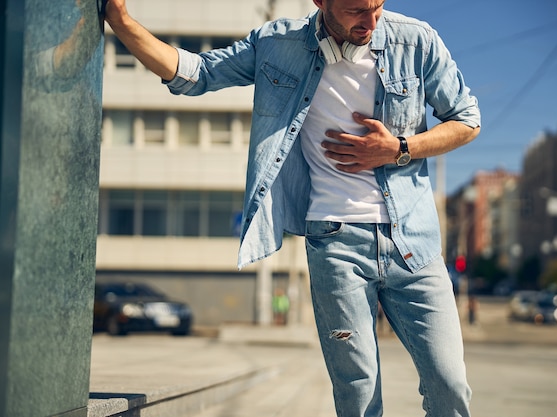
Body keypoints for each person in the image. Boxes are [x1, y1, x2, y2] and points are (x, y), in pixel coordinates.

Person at [105, 1, 481, 416]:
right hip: (335, 244)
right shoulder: (277, 43)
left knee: (450, 387)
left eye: (377, 7)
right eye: (357, 10)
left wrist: (398, 149)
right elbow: (196, 73)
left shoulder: (417, 40)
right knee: (359, 395)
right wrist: (120, 22)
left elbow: (467, 120)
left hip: (414, 244)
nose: (371, 22)